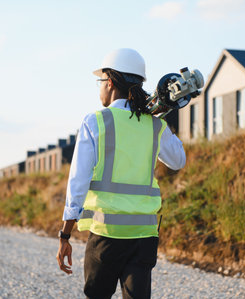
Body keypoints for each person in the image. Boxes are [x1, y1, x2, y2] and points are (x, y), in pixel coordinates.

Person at [56, 48, 186, 299]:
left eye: (100, 82)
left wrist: (65, 234)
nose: (100, 88)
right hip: (143, 238)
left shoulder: (95, 121)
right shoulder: (154, 124)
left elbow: (78, 183)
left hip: (106, 237)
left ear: (111, 82)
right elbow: (178, 160)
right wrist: (159, 117)